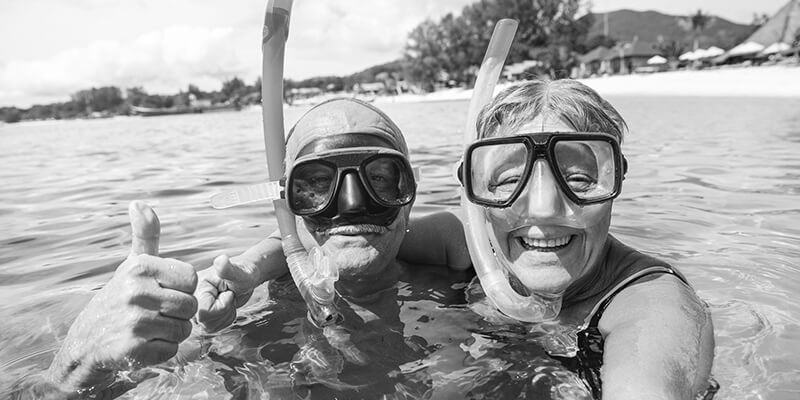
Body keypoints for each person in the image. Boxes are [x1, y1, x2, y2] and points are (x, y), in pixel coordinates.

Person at [35, 98, 471, 399]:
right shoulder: (228, 321)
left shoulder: (467, 276)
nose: (353, 205)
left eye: (381, 178)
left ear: (410, 194)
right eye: (317, 184)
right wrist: (78, 362)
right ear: (287, 205)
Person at [410, 78, 717, 400]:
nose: (543, 210)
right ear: (475, 190)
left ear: (616, 177)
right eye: (511, 180)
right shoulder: (466, 244)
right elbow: (366, 239)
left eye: (579, 179)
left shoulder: (654, 307)